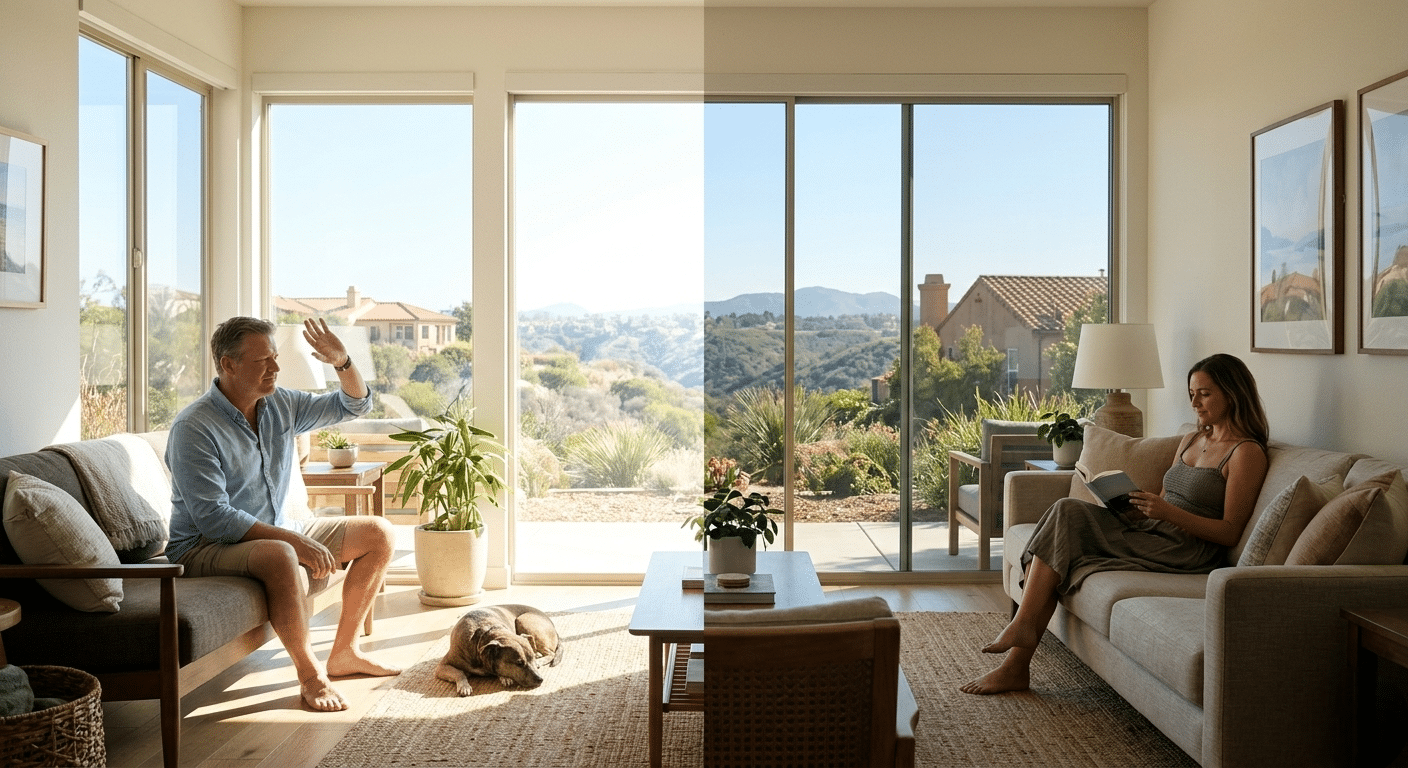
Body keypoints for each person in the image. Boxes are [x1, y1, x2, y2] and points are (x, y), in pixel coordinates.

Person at [961, 353, 1270, 695]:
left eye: (1205, 393)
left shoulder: (1245, 453)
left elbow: (1229, 531)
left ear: (1233, 393)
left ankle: (1021, 637)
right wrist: (1135, 507)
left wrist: (1166, 513)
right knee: (1064, 527)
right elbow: (1166, 497)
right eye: (1192, 393)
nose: (1195, 402)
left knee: (1066, 517)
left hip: (1186, 549)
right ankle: (1016, 662)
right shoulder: (1193, 439)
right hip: (1155, 531)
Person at [166, 316, 401, 712]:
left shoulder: (281, 404)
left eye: (275, 358)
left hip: (279, 528)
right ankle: (311, 676)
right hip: (204, 546)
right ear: (229, 364)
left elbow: (354, 403)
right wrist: (294, 541)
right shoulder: (194, 427)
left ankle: (344, 652)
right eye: (263, 361)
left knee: (379, 533)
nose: (275, 368)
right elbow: (215, 519)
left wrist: (342, 362)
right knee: (280, 553)